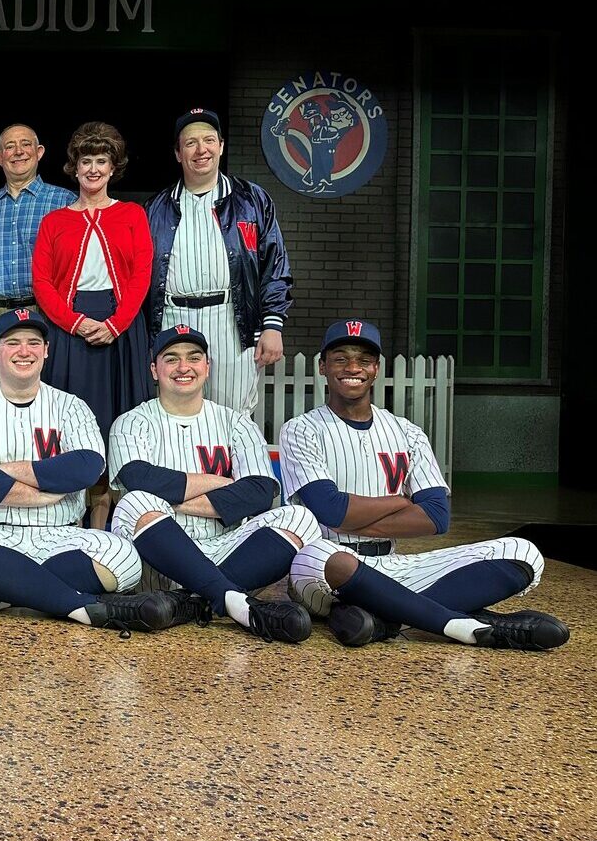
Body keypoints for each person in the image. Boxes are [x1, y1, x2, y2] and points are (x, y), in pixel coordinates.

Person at [280, 319, 569, 651]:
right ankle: (466, 625)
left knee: (524, 552)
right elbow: (330, 510)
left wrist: (352, 515)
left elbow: (436, 517)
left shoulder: (407, 432)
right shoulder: (301, 429)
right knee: (321, 553)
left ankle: (380, 619)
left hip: (391, 566)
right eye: (340, 358)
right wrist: (400, 502)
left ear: (375, 368)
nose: (352, 367)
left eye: (363, 359)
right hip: (322, 571)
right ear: (323, 367)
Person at [0, 309, 173, 634]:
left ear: (46, 350)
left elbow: (87, 467)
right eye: (13, 343)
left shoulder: (71, 405)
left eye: (33, 342)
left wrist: (7, 472)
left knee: (125, 557)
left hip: (60, 534)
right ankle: (87, 607)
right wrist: (49, 489)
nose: (24, 351)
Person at [108, 325, 320, 643]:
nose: (184, 367)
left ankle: (191, 602)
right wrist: (219, 483)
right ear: (154, 369)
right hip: (159, 559)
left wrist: (171, 497)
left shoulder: (235, 423)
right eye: (171, 359)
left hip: (224, 549)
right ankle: (233, 601)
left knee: (301, 519)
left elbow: (261, 491)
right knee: (136, 501)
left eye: (194, 358)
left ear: (207, 367)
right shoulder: (132, 422)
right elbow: (138, 478)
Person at [144, 107, 292, 413]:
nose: (201, 150)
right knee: (174, 412)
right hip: (173, 316)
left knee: (233, 414)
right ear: (177, 153)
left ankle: (231, 464)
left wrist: (272, 325)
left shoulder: (251, 200)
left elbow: (274, 265)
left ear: (221, 146)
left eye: (209, 140)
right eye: (190, 143)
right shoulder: (155, 208)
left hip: (230, 319)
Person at [32, 121, 152, 438]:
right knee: (69, 415)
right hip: (69, 325)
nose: (93, 169)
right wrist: (75, 323)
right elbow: (42, 283)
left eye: (101, 161)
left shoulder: (133, 214)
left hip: (121, 323)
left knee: (123, 415)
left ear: (113, 168)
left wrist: (116, 324)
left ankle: (119, 484)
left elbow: (142, 274)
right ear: (75, 167)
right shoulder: (53, 222)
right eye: (86, 161)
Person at [0, 123, 76, 383]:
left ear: (39, 152)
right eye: (9, 146)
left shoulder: (65, 202)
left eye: (26, 144)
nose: (18, 152)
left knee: (51, 394)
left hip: (46, 313)